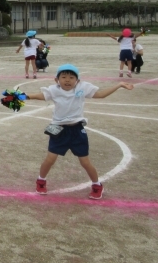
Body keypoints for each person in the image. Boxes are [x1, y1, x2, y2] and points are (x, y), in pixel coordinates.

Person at [24, 64, 133, 200]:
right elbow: (40, 96)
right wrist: (25, 96)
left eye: (71, 77)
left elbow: (100, 94)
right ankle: (41, 181)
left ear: (78, 80)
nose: (67, 80)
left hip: (77, 130)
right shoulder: (53, 90)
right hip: (59, 130)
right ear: (56, 80)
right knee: (50, 159)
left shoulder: (82, 88)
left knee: (85, 161)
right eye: (63, 77)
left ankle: (97, 185)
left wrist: (119, 85)